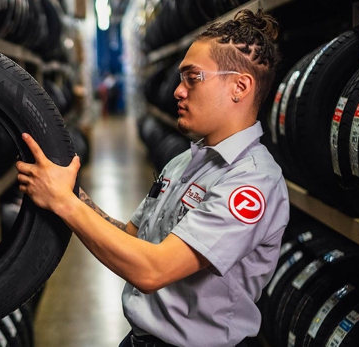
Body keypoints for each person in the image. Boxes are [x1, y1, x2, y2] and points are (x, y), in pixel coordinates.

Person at [16, 9, 290, 347]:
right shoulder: (184, 163)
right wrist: (72, 193)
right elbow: (131, 238)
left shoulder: (250, 184)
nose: (177, 91)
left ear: (240, 87)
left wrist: (64, 202)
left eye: (193, 78)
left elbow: (152, 270)